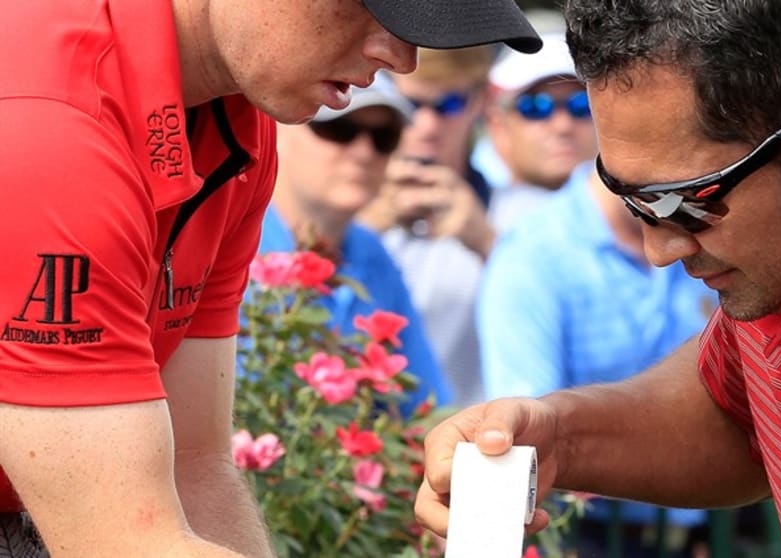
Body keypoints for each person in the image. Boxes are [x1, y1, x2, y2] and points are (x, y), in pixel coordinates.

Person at [415, 1, 781, 556]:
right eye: (627, 198)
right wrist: (558, 437)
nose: (659, 247)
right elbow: (733, 412)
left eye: (681, 202)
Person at [0, 0, 539, 554]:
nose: (402, 60)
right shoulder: (50, 123)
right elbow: (123, 540)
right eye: (375, 9)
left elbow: (196, 464)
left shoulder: (242, 126)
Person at [477, 162, 716, 556]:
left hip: (700, 530)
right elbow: (526, 425)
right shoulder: (532, 252)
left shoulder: (697, 225)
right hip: (582, 533)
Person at [259, 73, 452, 413]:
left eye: (383, 137)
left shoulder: (372, 252)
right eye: (339, 129)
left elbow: (427, 412)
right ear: (277, 131)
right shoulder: (232, 243)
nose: (363, 152)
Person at [358, 47, 498, 406]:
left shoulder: (512, 212)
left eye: (449, 104)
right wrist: (358, 234)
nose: (428, 125)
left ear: (480, 101)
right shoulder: (343, 202)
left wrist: (489, 244)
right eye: (413, 105)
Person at [483, 32, 599, 232]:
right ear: (498, 126)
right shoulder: (471, 212)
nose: (563, 126)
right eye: (536, 107)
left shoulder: (639, 220)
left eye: (581, 104)